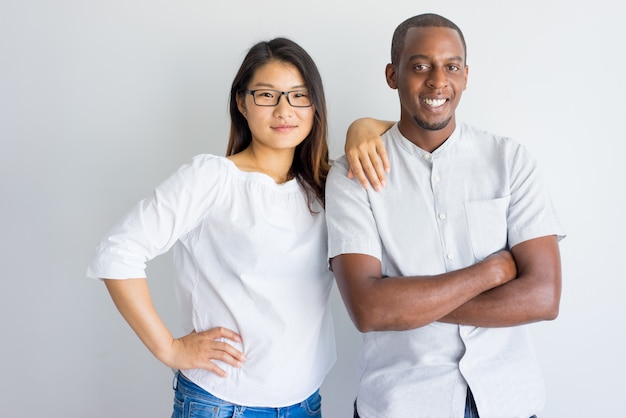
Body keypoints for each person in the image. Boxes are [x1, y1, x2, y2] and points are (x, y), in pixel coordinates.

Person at [87, 37, 387, 417]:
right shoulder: (212, 179)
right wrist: (170, 348)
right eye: (267, 95)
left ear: (315, 107)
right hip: (222, 404)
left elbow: (424, 131)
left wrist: (364, 126)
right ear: (241, 102)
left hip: (305, 403)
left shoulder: (328, 186)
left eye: (298, 95)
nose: (284, 110)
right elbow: (118, 252)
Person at [326, 13, 566, 418]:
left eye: (451, 66)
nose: (438, 81)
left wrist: (409, 304)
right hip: (402, 404)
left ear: (466, 76)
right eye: (420, 66)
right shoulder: (353, 175)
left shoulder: (509, 161)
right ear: (392, 74)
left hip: (509, 400)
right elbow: (369, 311)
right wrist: (490, 274)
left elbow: (543, 297)